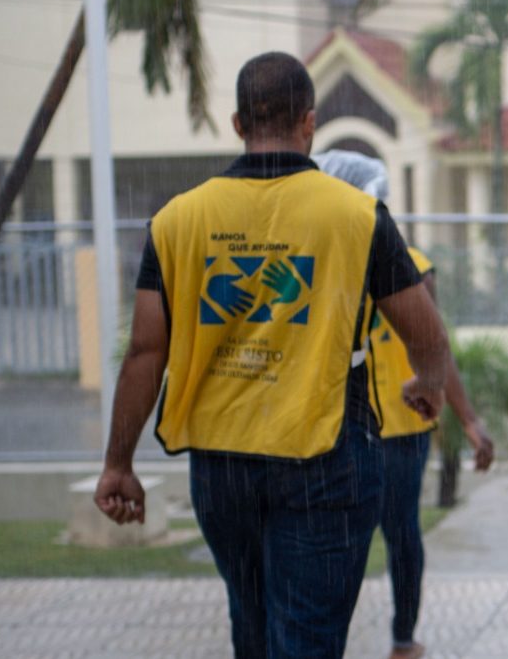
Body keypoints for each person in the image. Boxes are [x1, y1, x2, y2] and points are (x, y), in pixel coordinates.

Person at [93, 52, 450, 659]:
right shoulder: (356, 215)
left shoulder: (177, 220)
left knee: (252, 625)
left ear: (237, 124)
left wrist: (118, 462)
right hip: (326, 455)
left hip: (220, 465)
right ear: (308, 122)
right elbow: (427, 332)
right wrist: (428, 382)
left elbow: (145, 352)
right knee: (307, 635)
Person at [314, 149, 494, 659]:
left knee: (401, 539)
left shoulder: (414, 268)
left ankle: (402, 639)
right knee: (338, 546)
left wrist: (470, 420)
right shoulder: (323, 265)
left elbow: (438, 350)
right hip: (338, 429)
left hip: (402, 431)